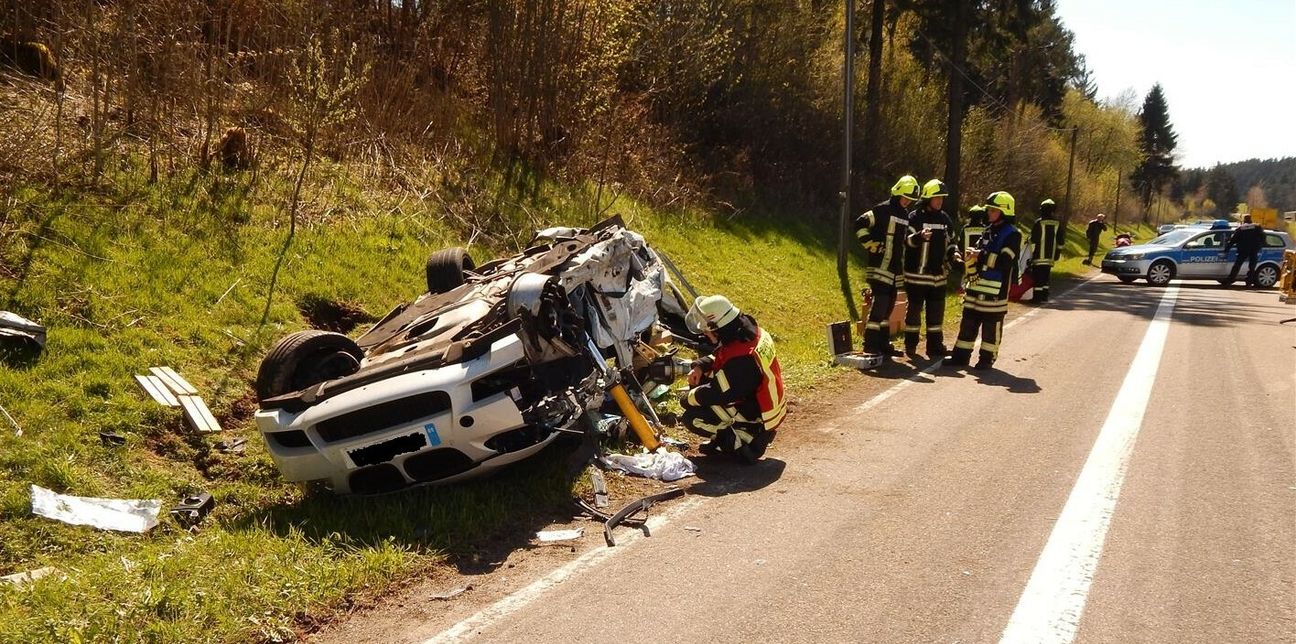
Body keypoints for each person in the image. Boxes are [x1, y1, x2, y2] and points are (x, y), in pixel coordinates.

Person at [680, 295, 787, 463]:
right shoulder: (746, 333)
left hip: (758, 420)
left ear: (719, 327)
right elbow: (725, 354)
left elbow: (718, 392)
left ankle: (741, 442)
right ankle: (731, 435)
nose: (706, 334)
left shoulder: (743, 361)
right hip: (763, 404)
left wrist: (688, 398)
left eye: (707, 331)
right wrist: (701, 366)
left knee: (691, 417)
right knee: (702, 385)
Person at [944, 191, 1022, 371]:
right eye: (989, 210)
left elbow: (1005, 261)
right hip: (975, 287)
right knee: (968, 322)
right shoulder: (988, 230)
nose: (989, 213)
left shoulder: (1012, 234)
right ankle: (960, 357)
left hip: (996, 291)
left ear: (1004, 211)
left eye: (993, 210)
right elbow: (978, 253)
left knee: (991, 327)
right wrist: (970, 257)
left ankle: (986, 359)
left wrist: (981, 255)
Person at [855, 175, 920, 362]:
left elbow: (904, 241)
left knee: (889, 307)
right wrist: (871, 245)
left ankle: (883, 343)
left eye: (911, 200)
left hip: (894, 269)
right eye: (906, 197)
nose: (908, 202)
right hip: (880, 267)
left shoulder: (904, 215)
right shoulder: (883, 209)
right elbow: (859, 223)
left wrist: (918, 238)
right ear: (898, 192)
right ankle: (870, 344)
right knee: (880, 304)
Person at [902, 179, 962, 358]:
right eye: (937, 198)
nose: (940, 201)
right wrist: (919, 237)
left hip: (939, 277)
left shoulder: (945, 219)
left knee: (936, 316)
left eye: (942, 198)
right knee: (914, 313)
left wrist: (955, 254)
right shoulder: (914, 217)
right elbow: (905, 242)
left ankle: (934, 347)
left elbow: (952, 242)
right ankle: (910, 346)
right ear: (927, 198)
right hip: (916, 276)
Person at [1028, 198, 1063, 302]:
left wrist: (1028, 241)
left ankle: (1037, 298)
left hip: (1039, 255)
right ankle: (1044, 296)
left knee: (1038, 276)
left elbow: (1034, 239)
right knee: (1046, 276)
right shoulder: (1057, 223)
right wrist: (1057, 253)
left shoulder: (1039, 222)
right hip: (1050, 256)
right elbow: (1061, 241)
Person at [1223, 214, 1266, 287]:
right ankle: (1249, 282)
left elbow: (1233, 240)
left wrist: (1227, 249)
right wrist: (1260, 246)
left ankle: (1230, 280)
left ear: (1244, 220)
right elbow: (1263, 237)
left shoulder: (1241, 228)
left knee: (1237, 265)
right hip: (1254, 249)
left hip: (1243, 250)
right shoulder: (1257, 227)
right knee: (1252, 267)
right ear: (1250, 219)